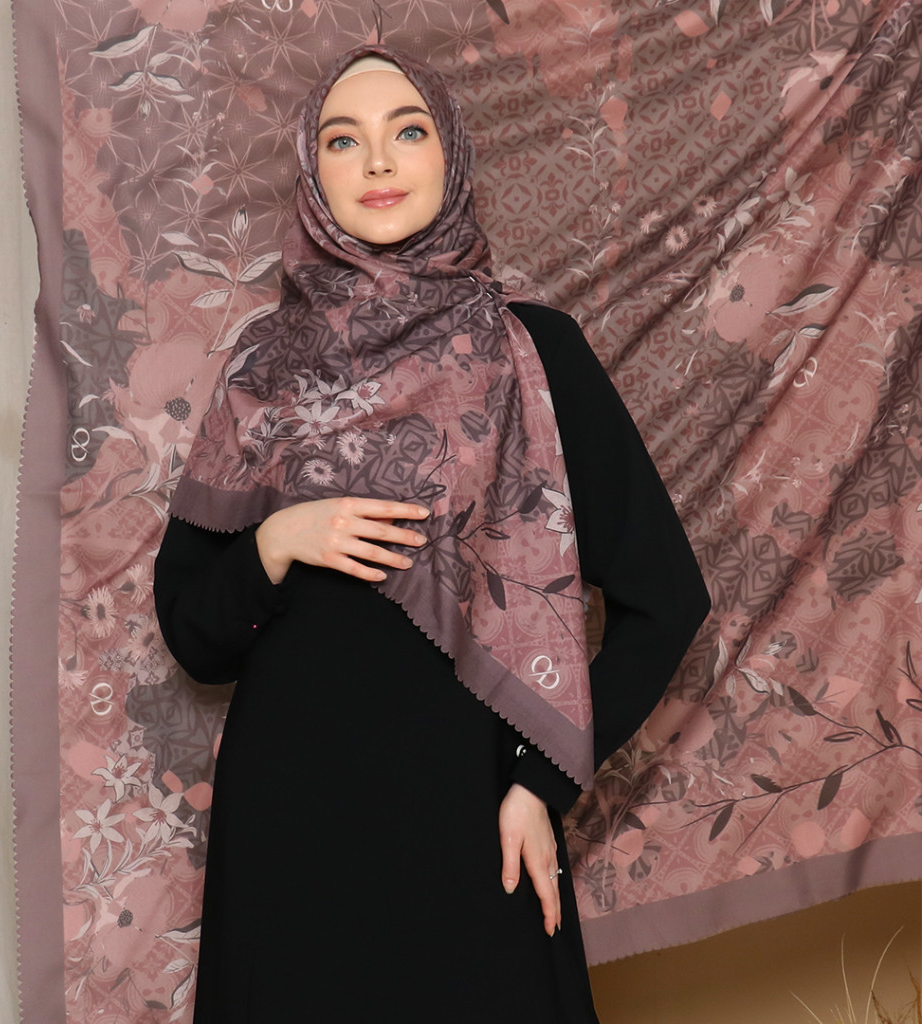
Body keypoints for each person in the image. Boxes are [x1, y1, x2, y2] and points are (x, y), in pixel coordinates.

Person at [154, 45, 710, 1023]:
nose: (376, 161)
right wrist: (279, 540)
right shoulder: (264, 366)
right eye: (343, 140)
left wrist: (540, 783)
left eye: (406, 131)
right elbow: (193, 629)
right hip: (290, 821)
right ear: (313, 174)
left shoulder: (535, 349)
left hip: (470, 812)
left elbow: (666, 599)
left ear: (449, 155)